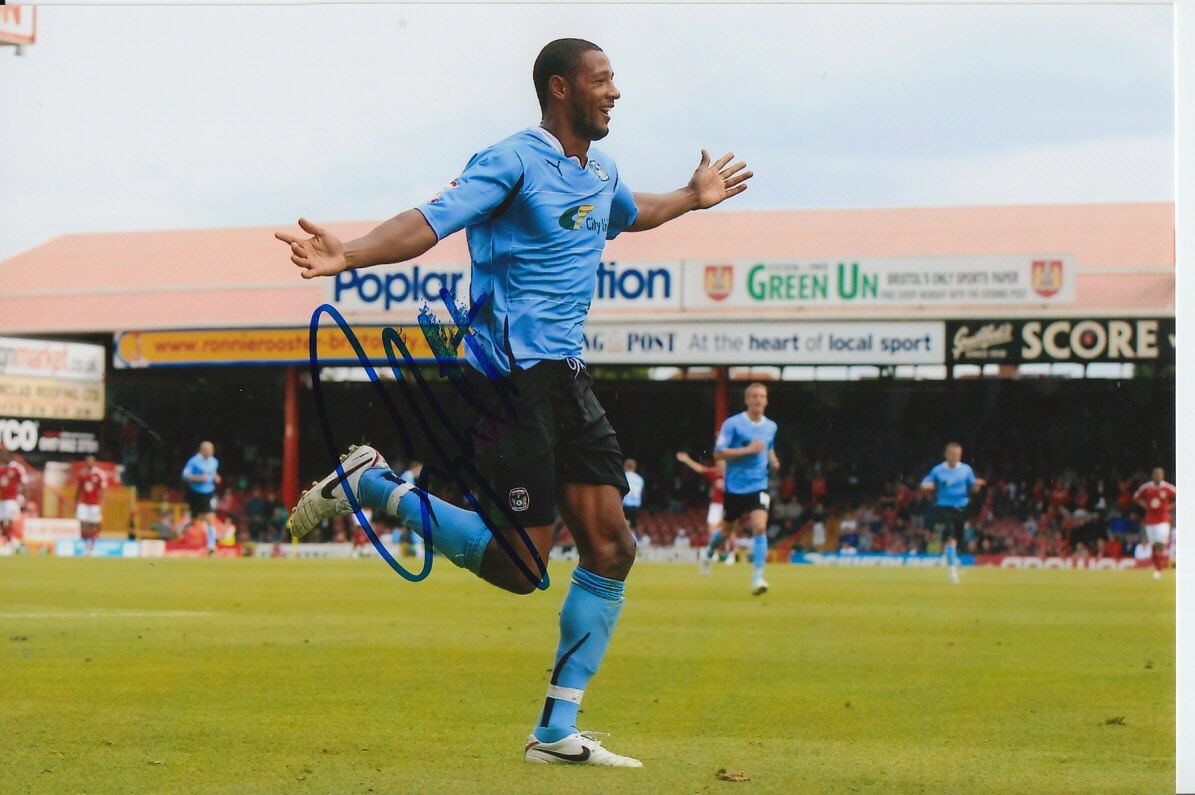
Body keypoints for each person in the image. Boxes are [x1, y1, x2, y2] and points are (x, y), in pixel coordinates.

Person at [275, 38, 751, 767]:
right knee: (521, 566)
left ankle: (555, 731)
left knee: (612, 548)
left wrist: (691, 197)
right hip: (503, 379)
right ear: (561, 88)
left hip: (566, 375)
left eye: (615, 80)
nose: (615, 91)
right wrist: (353, 253)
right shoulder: (511, 159)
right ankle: (374, 486)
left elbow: (632, 212)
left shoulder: (600, 171)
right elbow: (430, 219)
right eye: (602, 80)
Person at [704, 383, 780, 595]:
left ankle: (758, 578)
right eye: (754, 396)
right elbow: (718, 454)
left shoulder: (770, 426)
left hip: (759, 485)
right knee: (727, 531)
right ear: (747, 400)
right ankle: (709, 551)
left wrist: (773, 460)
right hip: (735, 487)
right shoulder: (733, 424)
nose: (758, 400)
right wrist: (747, 450)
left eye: (762, 396)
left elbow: (769, 447)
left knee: (759, 527)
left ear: (766, 400)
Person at [920, 442, 986, 584]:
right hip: (944, 506)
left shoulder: (966, 470)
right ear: (947, 454)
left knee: (958, 538)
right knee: (950, 535)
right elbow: (927, 482)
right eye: (953, 454)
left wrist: (976, 486)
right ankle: (952, 572)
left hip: (961, 508)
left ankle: (950, 554)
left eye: (958, 455)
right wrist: (926, 485)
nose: (955, 457)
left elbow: (973, 489)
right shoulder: (938, 470)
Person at [676, 451, 725, 574]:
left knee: (730, 530)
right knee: (712, 530)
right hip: (716, 505)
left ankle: (730, 554)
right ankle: (713, 554)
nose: (719, 463)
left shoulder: (733, 473)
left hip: (729, 504)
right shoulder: (715, 472)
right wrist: (687, 460)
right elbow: (701, 469)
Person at [1133, 467, 1176, 579]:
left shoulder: (1167, 487)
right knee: (1153, 545)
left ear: (1163, 476)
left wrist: (1170, 507)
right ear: (1152, 476)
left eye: (1160, 474)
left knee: (1161, 544)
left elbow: (1180, 496)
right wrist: (1145, 506)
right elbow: (1136, 497)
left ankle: (1160, 569)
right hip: (1150, 520)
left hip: (1163, 519)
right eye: (1156, 474)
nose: (1158, 476)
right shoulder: (1147, 487)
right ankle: (1157, 567)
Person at [182, 441, 221, 556]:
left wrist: (217, 477)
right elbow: (185, 476)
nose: (211, 452)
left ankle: (211, 546)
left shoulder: (214, 462)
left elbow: (213, 473)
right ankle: (183, 529)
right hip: (195, 494)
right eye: (208, 449)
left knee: (210, 518)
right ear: (202, 450)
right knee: (195, 519)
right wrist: (199, 478)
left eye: (212, 450)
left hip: (209, 493)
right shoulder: (193, 461)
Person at [75, 455, 108, 554]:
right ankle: (86, 545)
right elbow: (79, 489)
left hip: (94, 504)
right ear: (85, 462)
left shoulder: (99, 474)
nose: (89, 463)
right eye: (87, 461)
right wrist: (76, 502)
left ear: (94, 462)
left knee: (95, 525)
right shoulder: (81, 473)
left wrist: (101, 504)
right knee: (83, 524)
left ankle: (93, 546)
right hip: (83, 503)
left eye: (91, 461)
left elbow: (102, 490)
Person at [0, 451, 26, 546]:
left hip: (11, 500)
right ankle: (7, 540)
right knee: (3, 521)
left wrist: (23, 498)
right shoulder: (2, 468)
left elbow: (23, 484)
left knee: (11, 520)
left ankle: (12, 541)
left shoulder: (16, 468)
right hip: (1, 500)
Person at [621, 459, 644, 536]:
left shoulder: (623, 476)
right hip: (635, 506)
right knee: (633, 526)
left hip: (624, 505)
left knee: (623, 525)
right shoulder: (640, 479)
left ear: (625, 467)